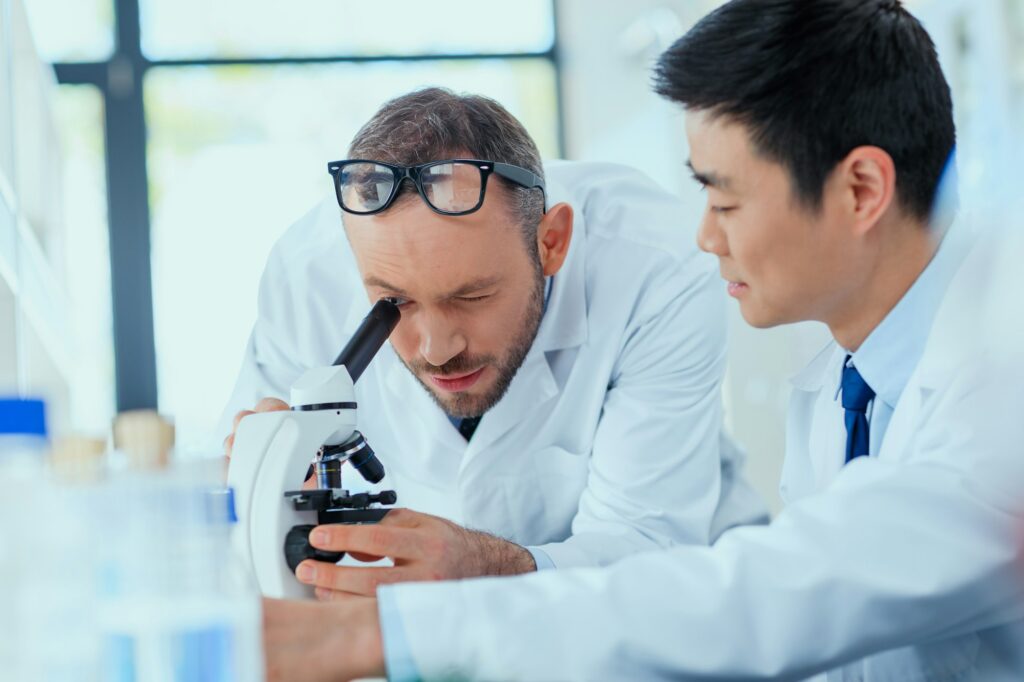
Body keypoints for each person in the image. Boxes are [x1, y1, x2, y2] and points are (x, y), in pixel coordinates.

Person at [260, 2, 1024, 680]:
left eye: (722, 198)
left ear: (861, 190)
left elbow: (769, 594)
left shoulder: (1003, 386)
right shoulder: (845, 383)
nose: (703, 236)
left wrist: (389, 636)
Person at [221, 88, 766, 598]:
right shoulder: (307, 275)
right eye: (395, 303)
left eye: (472, 295)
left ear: (551, 242)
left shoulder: (657, 264)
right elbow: (241, 524)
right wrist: (261, 480)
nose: (436, 348)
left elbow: (646, 546)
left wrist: (484, 568)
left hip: (673, 623)